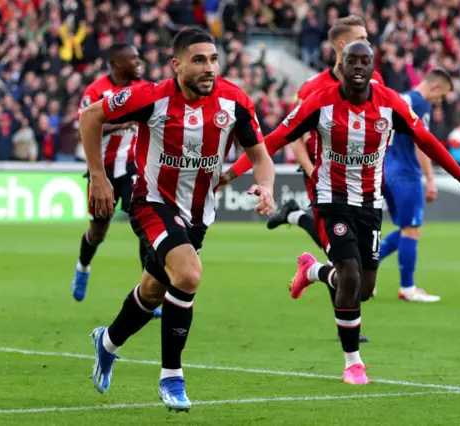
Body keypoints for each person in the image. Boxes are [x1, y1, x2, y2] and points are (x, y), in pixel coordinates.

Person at [221, 41, 460, 385]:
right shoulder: (319, 103)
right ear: (342, 65)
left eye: (366, 61)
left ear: (372, 66)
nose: (359, 67)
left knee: (363, 288)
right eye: (353, 61)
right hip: (329, 199)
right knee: (349, 273)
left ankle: (314, 270)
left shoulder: (390, 103)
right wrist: (231, 173)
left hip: (368, 204)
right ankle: (353, 363)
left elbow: (426, 140)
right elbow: (273, 140)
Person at [79, 28, 275, 411]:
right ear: (177, 64)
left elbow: (260, 156)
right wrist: (99, 177)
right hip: (152, 201)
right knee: (188, 275)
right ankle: (172, 376)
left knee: (153, 290)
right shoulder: (150, 98)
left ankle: (107, 342)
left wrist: (265, 186)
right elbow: (90, 115)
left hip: (198, 214)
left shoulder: (234, 102)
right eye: (199, 60)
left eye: (214, 59)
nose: (209, 67)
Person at [220, 14, 383, 344]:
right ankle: (350, 332)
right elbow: (291, 133)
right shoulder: (313, 88)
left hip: (361, 185)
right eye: (362, 36)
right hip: (322, 178)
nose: (368, 42)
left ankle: (306, 250)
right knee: (342, 255)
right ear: (342, 44)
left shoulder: (373, 78)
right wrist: (309, 168)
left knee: (358, 275)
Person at [70, 42, 152, 308]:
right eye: (133, 58)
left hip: (132, 167)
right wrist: (122, 123)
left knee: (144, 224)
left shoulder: (144, 89)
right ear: (117, 63)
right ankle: (83, 267)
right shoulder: (96, 91)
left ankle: (148, 290)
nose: (139, 62)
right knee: (98, 231)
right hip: (101, 171)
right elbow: (84, 126)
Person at [380, 70, 454, 302]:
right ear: (434, 87)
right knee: (412, 229)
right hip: (406, 172)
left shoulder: (400, 98)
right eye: (441, 95)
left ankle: (364, 268)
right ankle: (408, 288)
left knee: (404, 228)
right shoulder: (420, 104)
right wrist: (430, 179)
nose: (439, 101)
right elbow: (422, 144)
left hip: (384, 170)